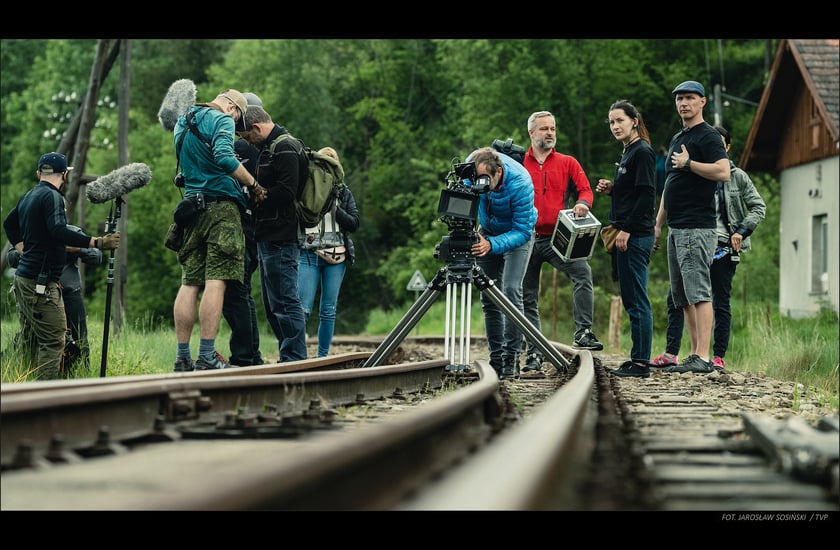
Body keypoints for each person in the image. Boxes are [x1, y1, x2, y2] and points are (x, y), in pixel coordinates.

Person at [651, 125, 766, 372]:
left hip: (723, 244)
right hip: (694, 234)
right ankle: (676, 352)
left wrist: (741, 231)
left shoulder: (738, 176)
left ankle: (716, 356)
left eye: (720, 144)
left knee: (718, 300)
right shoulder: (691, 170)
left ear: (727, 148)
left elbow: (759, 207)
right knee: (678, 296)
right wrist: (658, 223)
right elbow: (669, 190)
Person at [172, 89, 266, 372]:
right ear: (233, 108)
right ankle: (207, 356)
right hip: (221, 208)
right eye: (238, 118)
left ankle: (182, 357)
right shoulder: (222, 118)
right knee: (218, 279)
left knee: (190, 283)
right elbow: (224, 156)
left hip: (190, 208)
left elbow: (185, 167)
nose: (237, 125)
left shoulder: (183, 120)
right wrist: (253, 184)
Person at [3, 152, 119, 380]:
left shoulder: (29, 195)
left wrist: (21, 248)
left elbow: (9, 223)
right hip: (40, 283)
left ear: (39, 173)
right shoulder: (53, 197)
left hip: (26, 279)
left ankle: (32, 392)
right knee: (54, 340)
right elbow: (57, 230)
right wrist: (95, 242)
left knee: (33, 338)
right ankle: (45, 398)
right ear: (64, 175)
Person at [655, 81, 729, 374]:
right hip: (676, 226)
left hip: (697, 226)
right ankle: (694, 353)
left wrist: (690, 164)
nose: (683, 103)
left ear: (702, 102)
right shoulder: (678, 137)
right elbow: (670, 185)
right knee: (682, 295)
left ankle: (703, 355)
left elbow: (723, 172)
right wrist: (658, 223)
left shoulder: (708, 136)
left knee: (699, 291)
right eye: (679, 99)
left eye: (689, 98)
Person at [521, 110, 603, 374]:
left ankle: (583, 332)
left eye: (553, 128)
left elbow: (585, 189)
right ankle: (533, 353)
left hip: (559, 237)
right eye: (544, 129)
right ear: (532, 133)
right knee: (527, 297)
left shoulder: (567, 162)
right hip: (526, 237)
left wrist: (582, 203)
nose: (550, 133)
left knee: (583, 274)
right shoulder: (518, 161)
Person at [238, 104, 308, 362]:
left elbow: (287, 193)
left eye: (247, 137)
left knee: (285, 301)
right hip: (268, 235)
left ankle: (295, 359)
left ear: (256, 128)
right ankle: (288, 356)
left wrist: (256, 192)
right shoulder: (270, 147)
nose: (248, 143)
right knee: (273, 305)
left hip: (281, 234)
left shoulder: (286, 147)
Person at [595, 100, 656, 378]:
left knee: (637, 299)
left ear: (634, 120)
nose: (615, 126)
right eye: (611, 122)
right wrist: (612, 190)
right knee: (631, 299)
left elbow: (646, 196)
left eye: (620, 120)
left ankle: (641, 363)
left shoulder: (642, 151)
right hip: (625, 234)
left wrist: (627, 230)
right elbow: (632, 191)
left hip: (634, 236)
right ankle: (637, 358)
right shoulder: (628, 152)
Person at [466, 146, 536, 380]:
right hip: (486, 232)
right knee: (488, 296)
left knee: (510, 290)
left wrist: (492, 245)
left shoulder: (521, 183)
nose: (483, 186)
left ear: (499, 172)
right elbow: (465, 197)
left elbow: (522, 230)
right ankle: (495, 359)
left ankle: (511, 359)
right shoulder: (471, 168)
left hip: (517, 236)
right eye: (478, 179)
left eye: (487, 180)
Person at [298, 147, 360, 357]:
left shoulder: (344, 193)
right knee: (302, 309)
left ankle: (322, 356)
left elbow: (354, 223)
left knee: (328, 311)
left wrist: (334, 208)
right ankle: (297, 354)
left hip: (337, 257)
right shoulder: (307, 188)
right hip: (308, 253)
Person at [223, 91, 266, 367]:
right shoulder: (262, 147)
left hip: (242, 226)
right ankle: (251, 354)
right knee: (242, 292)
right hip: (254, 228)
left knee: (234, 293)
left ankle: (244, 356)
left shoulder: (242, 148)